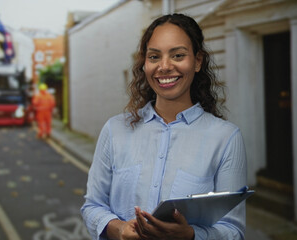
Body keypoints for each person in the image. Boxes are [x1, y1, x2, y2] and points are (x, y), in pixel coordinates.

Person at [81, 13, 247, 240]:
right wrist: (118, 229)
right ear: (145, 64)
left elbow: (234, 231)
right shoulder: (115, 130)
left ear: (198, 61)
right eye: (154, 56)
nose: (165, 66)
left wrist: (190, 236)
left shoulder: (226, 138)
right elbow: (92, 206)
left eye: (178, 55)